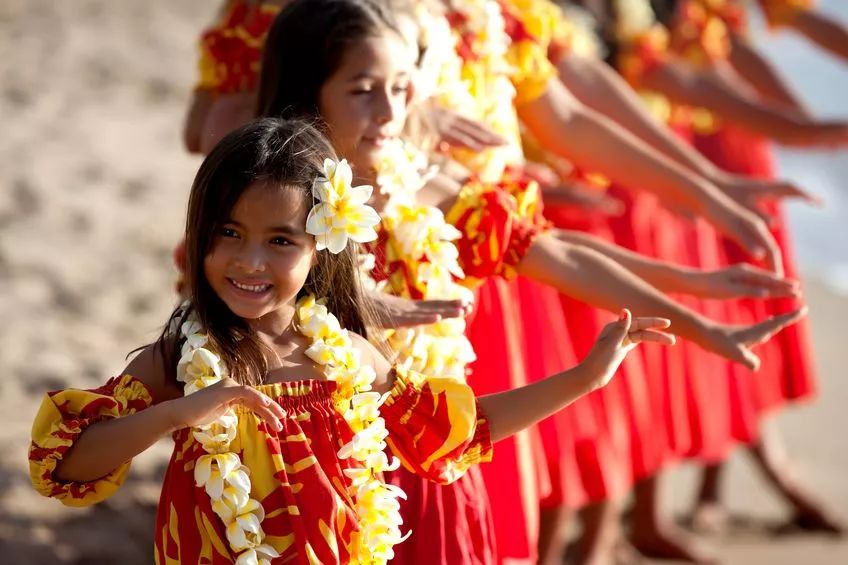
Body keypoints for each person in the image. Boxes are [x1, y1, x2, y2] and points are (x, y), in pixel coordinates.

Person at [28, 117, 677, 564]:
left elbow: (456, 432)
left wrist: (584, 379)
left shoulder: (350, 356)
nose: (250, 260)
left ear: (321, 249)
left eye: (280, 240)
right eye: (229, 233)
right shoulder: (182, 358)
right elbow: (67, 463)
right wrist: (177, 411)